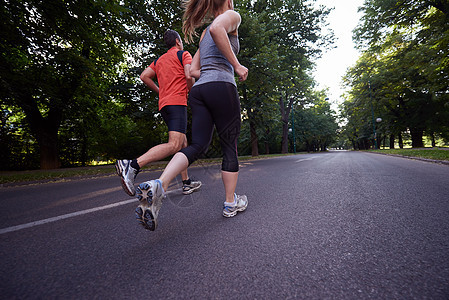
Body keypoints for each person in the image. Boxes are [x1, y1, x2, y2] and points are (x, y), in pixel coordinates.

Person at [134, 0, 249, 231]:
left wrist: (208, 71)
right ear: (228, 1)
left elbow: (193, 71)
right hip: (222, 87)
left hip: (199, 91)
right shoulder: (232, 17)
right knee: (229, 145)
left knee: (197, 145)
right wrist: (236, 65)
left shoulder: (204, 34)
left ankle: (159, 184)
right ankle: (230, 203)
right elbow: (219, 30)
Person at [115, 29, 202, 199]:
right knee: (175, 145)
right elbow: (188, 74)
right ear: (177, 41)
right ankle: (132, 165)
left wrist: (160, 91)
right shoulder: (184, 54)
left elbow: (144, 76)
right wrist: (191, 92)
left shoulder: (159, 60)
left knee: (183, 142)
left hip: (164, 105)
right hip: (177, 102)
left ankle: (186, 183)